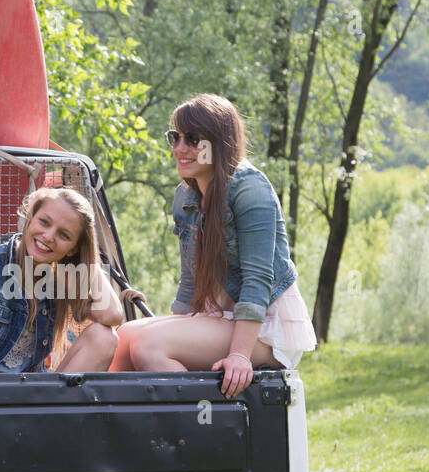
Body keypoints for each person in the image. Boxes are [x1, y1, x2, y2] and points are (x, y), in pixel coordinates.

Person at [110, 93, 316, 397]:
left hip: (265, 328)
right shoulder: (186, 197)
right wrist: (175, 329)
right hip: (219, 316)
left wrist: (240, 355)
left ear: (218, 143)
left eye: (192, 139)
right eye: (174, 137)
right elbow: (190, 284)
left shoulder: (251, 189)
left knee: (150, 346)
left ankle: (198, 433)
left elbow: (258, 280)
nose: (179, 148)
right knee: (124, 337)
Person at [0, 186, 124, 373]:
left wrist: (87, 262)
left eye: (63, 235)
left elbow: (112, 315)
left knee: (104, 338)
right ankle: (57, 403)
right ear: (30, 219)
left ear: (73, 248)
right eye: (44, 222)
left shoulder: (60, 279)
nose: (48, 237)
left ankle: (58, 403)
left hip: (34, 392)